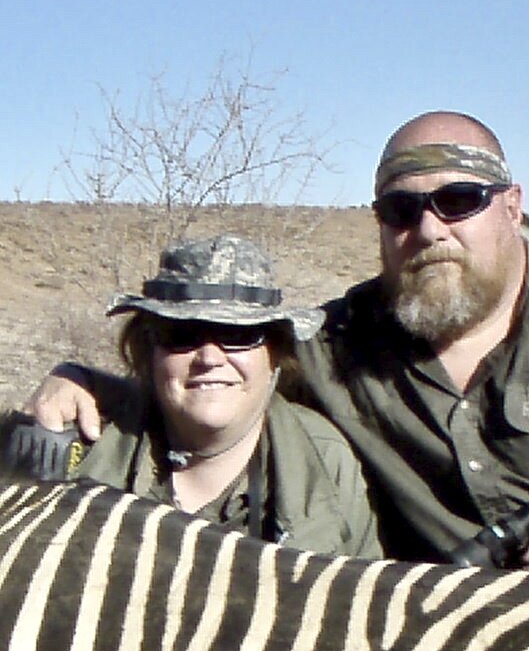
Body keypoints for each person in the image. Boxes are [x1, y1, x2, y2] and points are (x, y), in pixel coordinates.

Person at [32, 112, 529, 597]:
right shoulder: (334, 344)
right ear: (379, 223)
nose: (430, 229)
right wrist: (91, 385)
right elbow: (222, 378)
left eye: (458, 202)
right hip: (447, 640)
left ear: (511, 208)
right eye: (402, 210)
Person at [63, 233, 380, 558]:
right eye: (181, 334)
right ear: (148, 351)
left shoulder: (327, 461)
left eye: (237, 335)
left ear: (275, 353)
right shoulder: (77, 453)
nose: (209, 358)